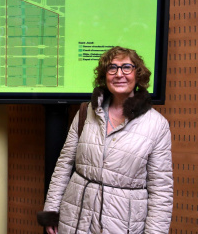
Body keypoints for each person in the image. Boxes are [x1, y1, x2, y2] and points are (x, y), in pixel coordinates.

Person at [37, 46, 173, 233]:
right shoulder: (86, 111)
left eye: (127, 67)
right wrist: (51, 211)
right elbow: (64, 165)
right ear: (104, 76)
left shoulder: (157, 125)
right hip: (75, 218)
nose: (119, 74)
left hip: (122, 224)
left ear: (138, 75)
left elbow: (161, 191)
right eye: (112, 68)